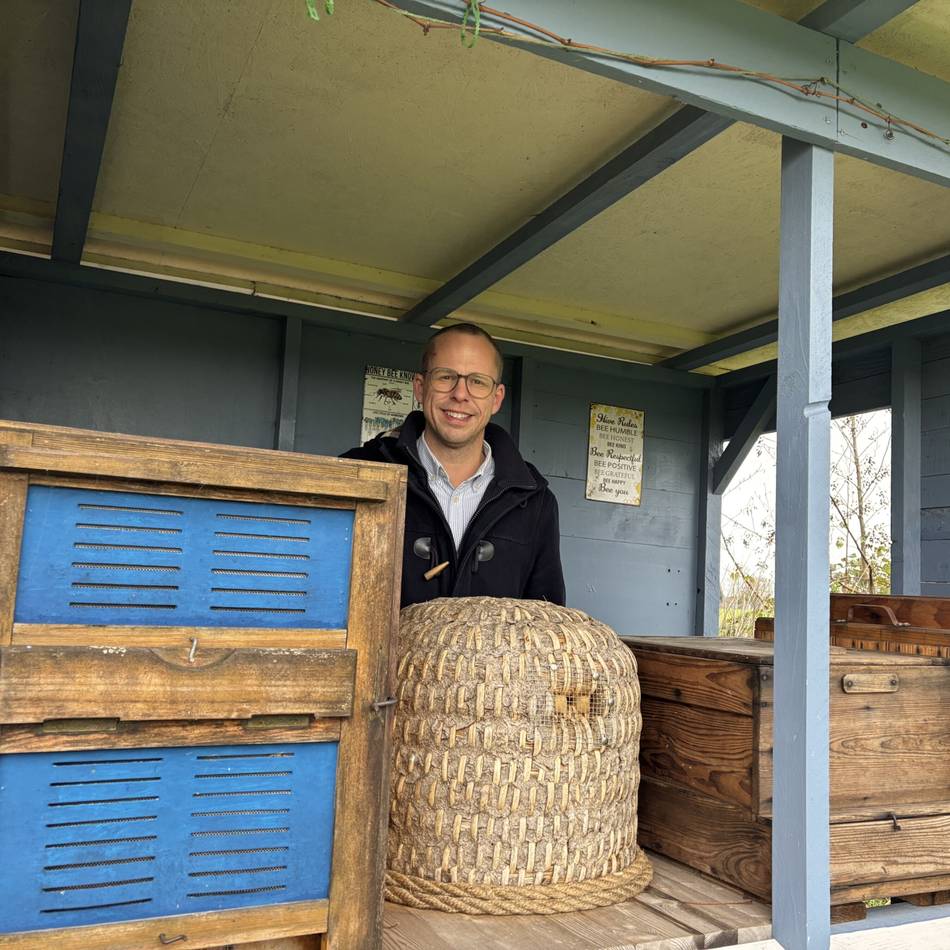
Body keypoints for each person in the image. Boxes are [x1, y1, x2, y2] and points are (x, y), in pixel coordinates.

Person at [343, 323, 565, 608]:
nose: (461, 394)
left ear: (496, 398)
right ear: (420, 388)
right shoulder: (358, 473)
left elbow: (547, 622)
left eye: (478, 381)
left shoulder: (536, 502)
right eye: (446, 377)